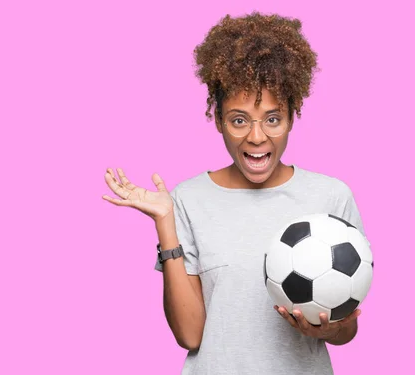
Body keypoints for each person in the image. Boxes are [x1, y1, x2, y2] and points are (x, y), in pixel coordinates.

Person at [102, 11, 368, 375]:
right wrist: (165, 222)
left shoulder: (331, 197)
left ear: (292, 115)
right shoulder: (187, 199)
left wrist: (330, 328)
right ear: (218, 120)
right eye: (239, 119)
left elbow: (348, 328)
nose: (256, 137)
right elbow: (191, 335)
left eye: (272, 118)